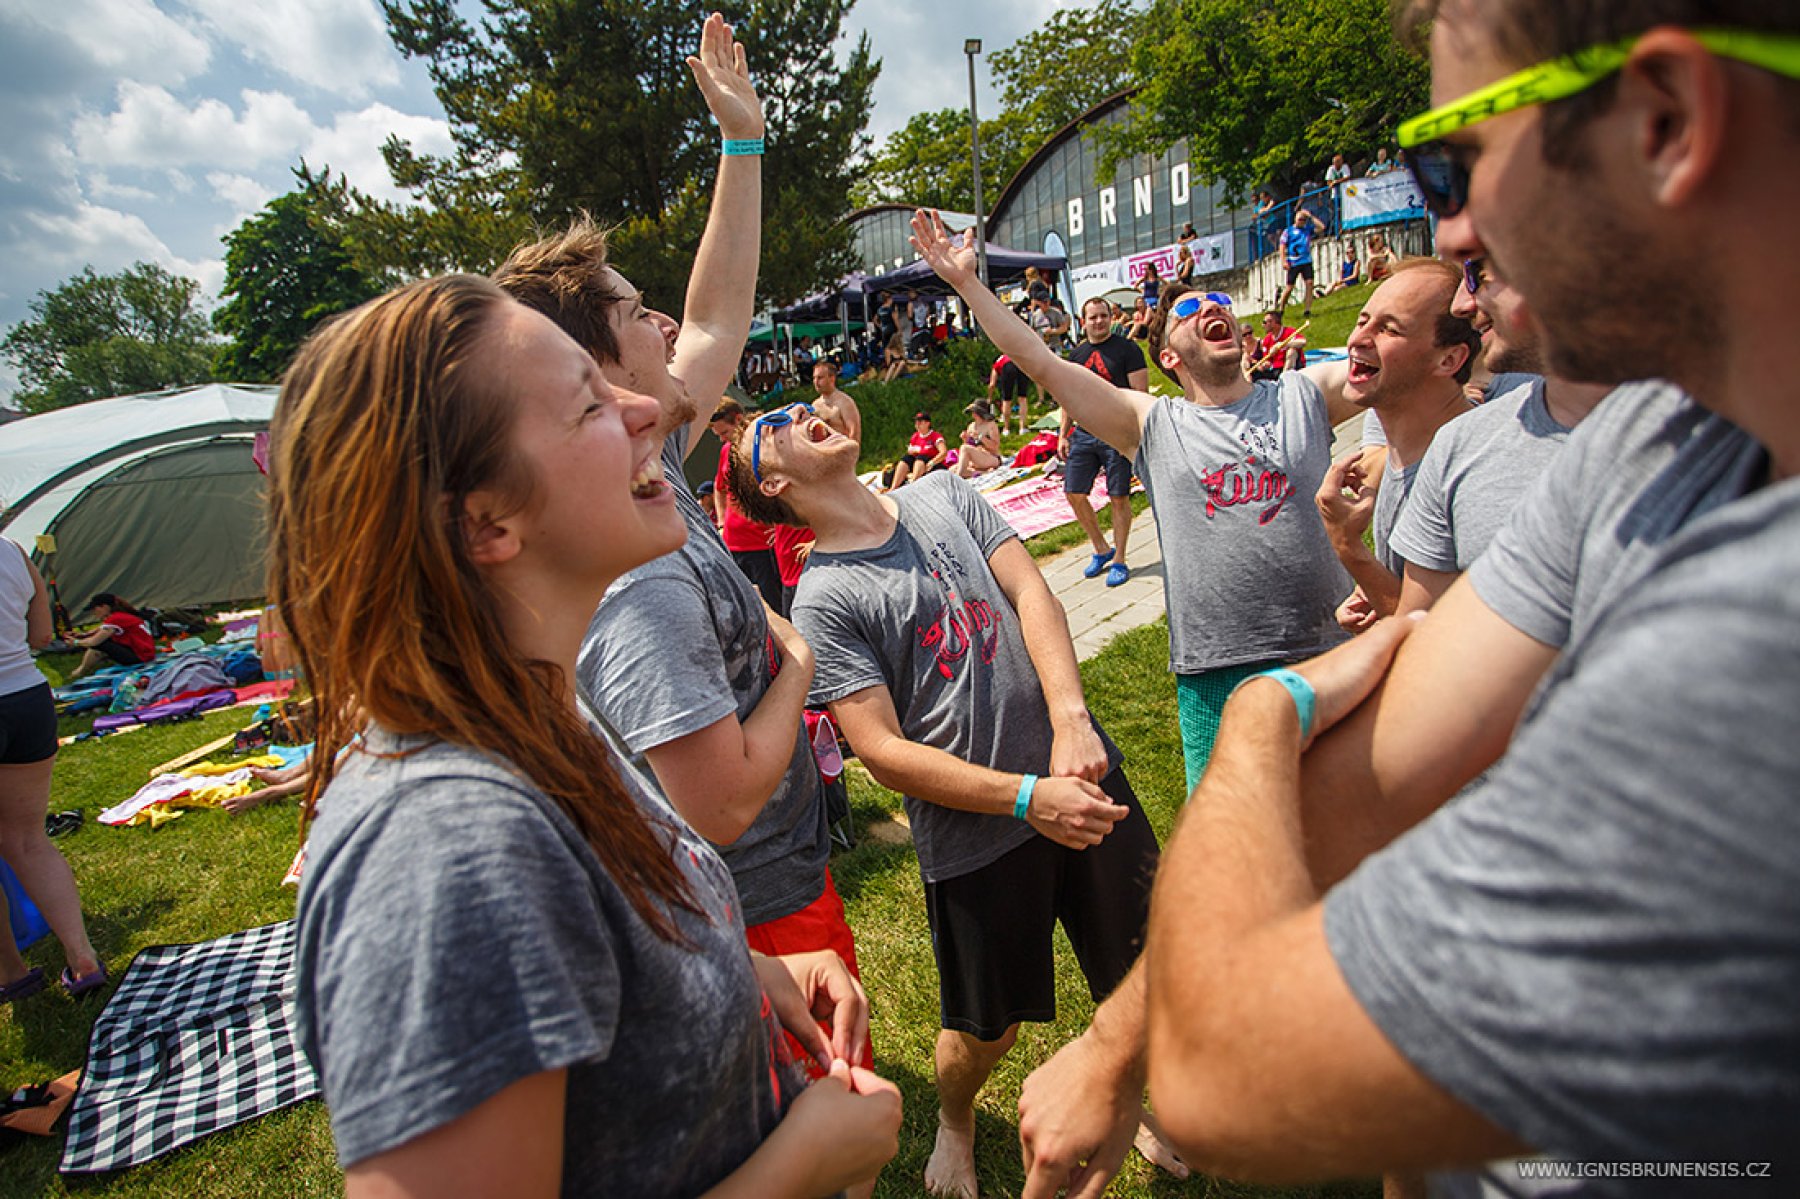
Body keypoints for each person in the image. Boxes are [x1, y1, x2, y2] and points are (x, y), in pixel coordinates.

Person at [1141, 3, 1800, 1194]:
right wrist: (1109, 1037)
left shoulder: (1758, 641)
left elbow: (1219, 1068)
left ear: (1665, 122)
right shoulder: (1667, 432)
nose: (1449, 230)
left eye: (1453, 161)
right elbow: (1381, 763)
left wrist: (1256, 723)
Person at [277, 272, 899, 1199]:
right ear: (485, 519)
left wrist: (739, 967)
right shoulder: (444, 848)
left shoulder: (541, 717)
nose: (647, 408)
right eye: (588, 404)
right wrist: (801, 1164)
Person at [491, 17, 877, 1126]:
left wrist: (742, 144)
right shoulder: (635, 572)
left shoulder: (646, 457)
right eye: (632, 311)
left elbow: (715, 311)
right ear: (588, 368)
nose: (667, 321)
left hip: (764, 888)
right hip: (749, 906)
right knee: (820, 1123)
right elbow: (715, 803)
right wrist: (798, 660)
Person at [721, 408, 1165, 1199]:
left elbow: (1032, 592)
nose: (803, 414)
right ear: (774, 482)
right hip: (978, 839)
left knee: (1144, 965)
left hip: (1084, 773)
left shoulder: (943, 492)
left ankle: (1124, 1089)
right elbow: (883, 751)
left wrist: (1071, 721)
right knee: (987, 1030)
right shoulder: (823, 596)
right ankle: (956, 1118)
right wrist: (1026, 797)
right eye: (776, 425)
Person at [912, 205, 1366, 812]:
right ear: (1168, 357)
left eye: (1217, 302)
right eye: (1187, 310)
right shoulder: (1150, 423)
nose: (1208, 308)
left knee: (1359, 823)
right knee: (1235, 838)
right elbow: (1039, 361)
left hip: (1333, 648)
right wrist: (968, 284)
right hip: (1217, 673)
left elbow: (1399, 365)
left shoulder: (1303, 396)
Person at [1388, 257, 1613, 613]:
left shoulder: (1699, 435)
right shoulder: (1460, 444)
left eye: (1478, 274)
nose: (1461, 305)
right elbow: (1419, 627)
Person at [1312, 260, 1480, 630]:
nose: (1358, 340)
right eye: (1362, 321)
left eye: (1389, 329)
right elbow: (1415, 600)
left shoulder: (1473, 469)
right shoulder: (1405, 456)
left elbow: (1438, 637)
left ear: (1449, 359)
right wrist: (1372, 587)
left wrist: (1348, 546)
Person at [0, 539, 104, 1002]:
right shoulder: (13, 551)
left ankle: (11, 973)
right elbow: (42, 636)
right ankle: (82, 957)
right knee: (28, 841)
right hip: (26, 698)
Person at [1059, 296, 1148, 587]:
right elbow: (1068, 397)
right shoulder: (1076, 355)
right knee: (1074, 492)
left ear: (1111, 318)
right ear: (1083, 322)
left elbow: (1140, 393)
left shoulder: (1128, 349)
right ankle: (1101, 548)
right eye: (1093, 317)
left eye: (1103, 316)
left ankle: (1120, 558)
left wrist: (1135, 433)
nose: (1098, 321)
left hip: (1117, 433)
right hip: (1084, 433)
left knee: (1118, 496)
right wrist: (1063, 434)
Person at [67, 593, 154, 680]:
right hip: (145, 654)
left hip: (140, 657)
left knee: (100, 643)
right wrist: (83, 635)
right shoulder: (120, 616)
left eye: (95, 609)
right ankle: (81, 670)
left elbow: (94, 641)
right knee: (102, 641)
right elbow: (101, 629)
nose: (94, 613)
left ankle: (81, 671)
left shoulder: (115, 619)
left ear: (104, 607)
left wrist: (76, 642)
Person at [1275, 207, 1328, 317]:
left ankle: (1307, 310)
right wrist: (1283, 260)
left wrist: (1310, 216)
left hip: (1306, 261)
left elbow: (1322, 227)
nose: (1302, 222)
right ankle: (1281, 308)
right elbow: (1282, 246)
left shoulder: (1307, 229)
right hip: (1294, 262)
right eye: (1300, 219)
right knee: (1289, 287)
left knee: (1309, 283)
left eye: (1304, 220)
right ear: (1295, 219)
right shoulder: (1288, 231)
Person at [886, 412, 947, 491]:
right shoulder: (915, 436)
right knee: (905, 459)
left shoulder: (935, 436)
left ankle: (913, 486)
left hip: (931, 463)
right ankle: (893, 487)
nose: (917, 425)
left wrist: (932, 462)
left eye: (920, 422)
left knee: (920, 459)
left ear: (927, 423)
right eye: (916, 422)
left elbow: (943, 452)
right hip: (917, 462)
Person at [810, 359, 860, 444]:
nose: (816, 382)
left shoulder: (845, 402)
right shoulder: (815, 405)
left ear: (832, 378)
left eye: (820, 378)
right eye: (814, 378)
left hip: (841, 448)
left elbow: (854, 433)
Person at [1248, 310, 1308, 381]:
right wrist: (1264, 365)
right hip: (1276, 370)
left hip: (1295, 366)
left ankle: (1286, 379)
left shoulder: (1289, 332)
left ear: (1273, 323)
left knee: (1292, 350)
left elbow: (1303, 342)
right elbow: (1268, 361)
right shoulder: (1267, 339)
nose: (1263, 325)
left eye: (1264, 322)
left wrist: (1283, 345)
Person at [953, 401, 1002, 479]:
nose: (973, 414)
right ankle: (983, 472)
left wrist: (981, 437)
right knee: (952, 469)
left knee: (964, 448)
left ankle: (959, 477)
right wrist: (965, 439)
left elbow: (995, 446)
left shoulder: (990, 425)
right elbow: (970, 447)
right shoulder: (971, 426)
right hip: (978, 458)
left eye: (975, 412)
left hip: (992, 457)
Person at [987, 352, 1031, 435]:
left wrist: (989, 397)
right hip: (1021, 364)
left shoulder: (998, 361)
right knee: (1022, 398)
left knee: (1006, 400)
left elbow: (992, 384)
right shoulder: (1016, 354)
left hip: (1007, 367)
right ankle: (1022, 428)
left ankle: (1006, 429)